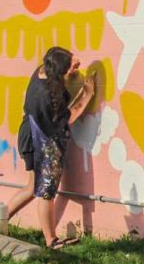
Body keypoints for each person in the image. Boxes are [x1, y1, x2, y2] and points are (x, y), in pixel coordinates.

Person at [6, 46, 95, 249]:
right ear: (59, 73)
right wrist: (87, 95)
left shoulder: (41, 71)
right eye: (70, 68)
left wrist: (71, 65)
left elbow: (61, 66)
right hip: (40, 143)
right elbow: (68, 118)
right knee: (46, 191)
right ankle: (51, 240)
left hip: (27, 135)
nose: (75, 69)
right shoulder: (49, 97)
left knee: (32, 187)